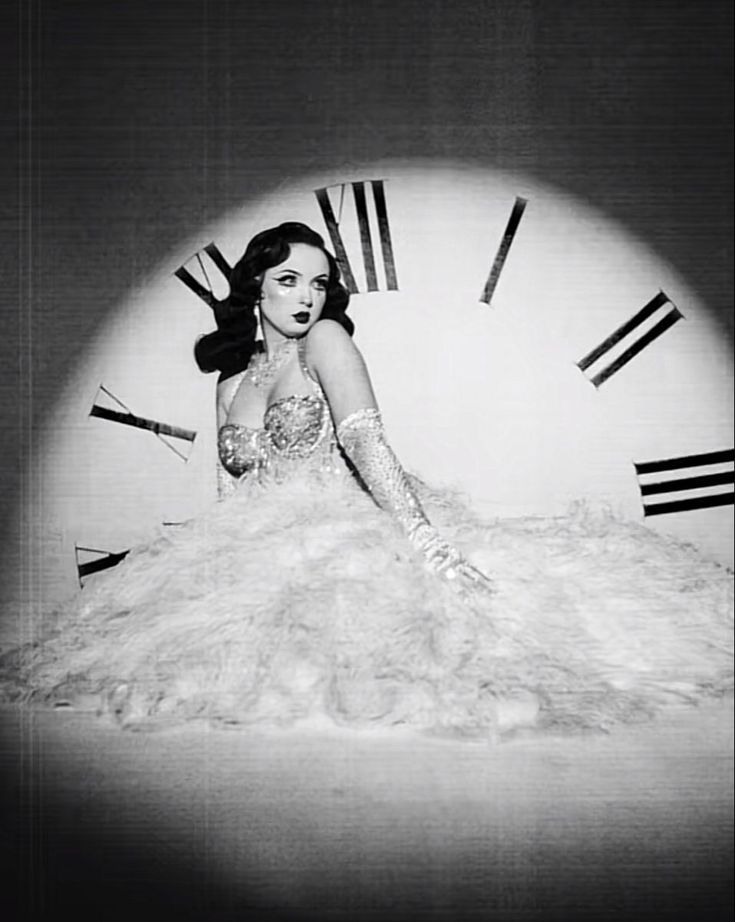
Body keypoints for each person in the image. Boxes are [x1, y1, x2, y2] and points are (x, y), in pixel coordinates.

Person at [1, 223, 732, 737]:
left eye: (317, 282)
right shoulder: (234, 374)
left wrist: (423, 539)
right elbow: (236, 491)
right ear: (254, 285)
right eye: (288, 279)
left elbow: (365, 440)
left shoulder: (327, 341)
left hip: (343, 522)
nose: (306, 296)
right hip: (258, 538)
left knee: (406, 636)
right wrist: (215, 566)